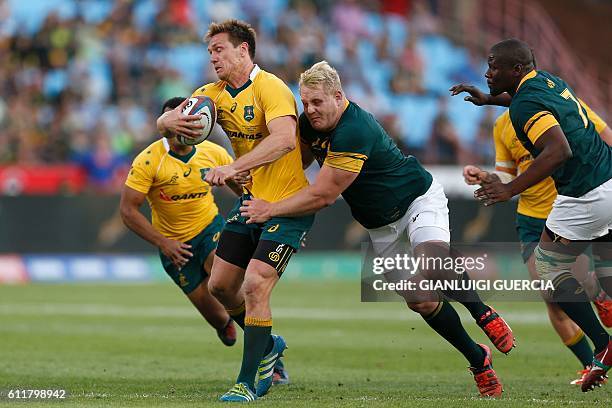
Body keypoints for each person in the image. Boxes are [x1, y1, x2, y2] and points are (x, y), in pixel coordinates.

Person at [240, 61, 516, 398]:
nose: (310, 110)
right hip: (379, 226)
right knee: (421, 301)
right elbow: (295, 167)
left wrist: (268, 208)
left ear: (338, 96)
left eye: (317, 102)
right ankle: (478, 360)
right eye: (305, 102)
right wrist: (251, 174)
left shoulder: (354, 128)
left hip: (417, 199)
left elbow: (323, 195)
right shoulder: (309, 127)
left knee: (432, 261)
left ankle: (482, 312)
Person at [156, 20, 311, 402]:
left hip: (285, 203)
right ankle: (270, 344)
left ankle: (248, 380)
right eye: (210, 52)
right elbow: (168, 123)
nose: (213, 57)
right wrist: (165, 121)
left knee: (255, 285)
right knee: (221, 286)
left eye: (219, 49)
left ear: (243, 50)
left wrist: (233, 168)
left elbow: (284, 140)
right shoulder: (212, 95)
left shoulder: (270, 87)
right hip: (249, 202)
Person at [451, 38, 612, 392]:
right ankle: (602, 326)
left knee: (549, 272)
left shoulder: (524, 106)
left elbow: (558, 150)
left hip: (583, 194)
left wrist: (509, 189)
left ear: (517, 70)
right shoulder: (547, 81)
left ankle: (602, 343)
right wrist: (488, 99)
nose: (487, 72)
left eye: (494, 67)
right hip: (607, 179)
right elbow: (524, 102)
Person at [120, 97, 240, 348]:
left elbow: (243, 190)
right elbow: (128, 211)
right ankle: (224, 323)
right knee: (218, 317)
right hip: (174, 247)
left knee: (227, 288)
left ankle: (269, 355)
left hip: (210, 229)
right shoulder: (148, 160)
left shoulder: (214, 153)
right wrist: (164, 243)